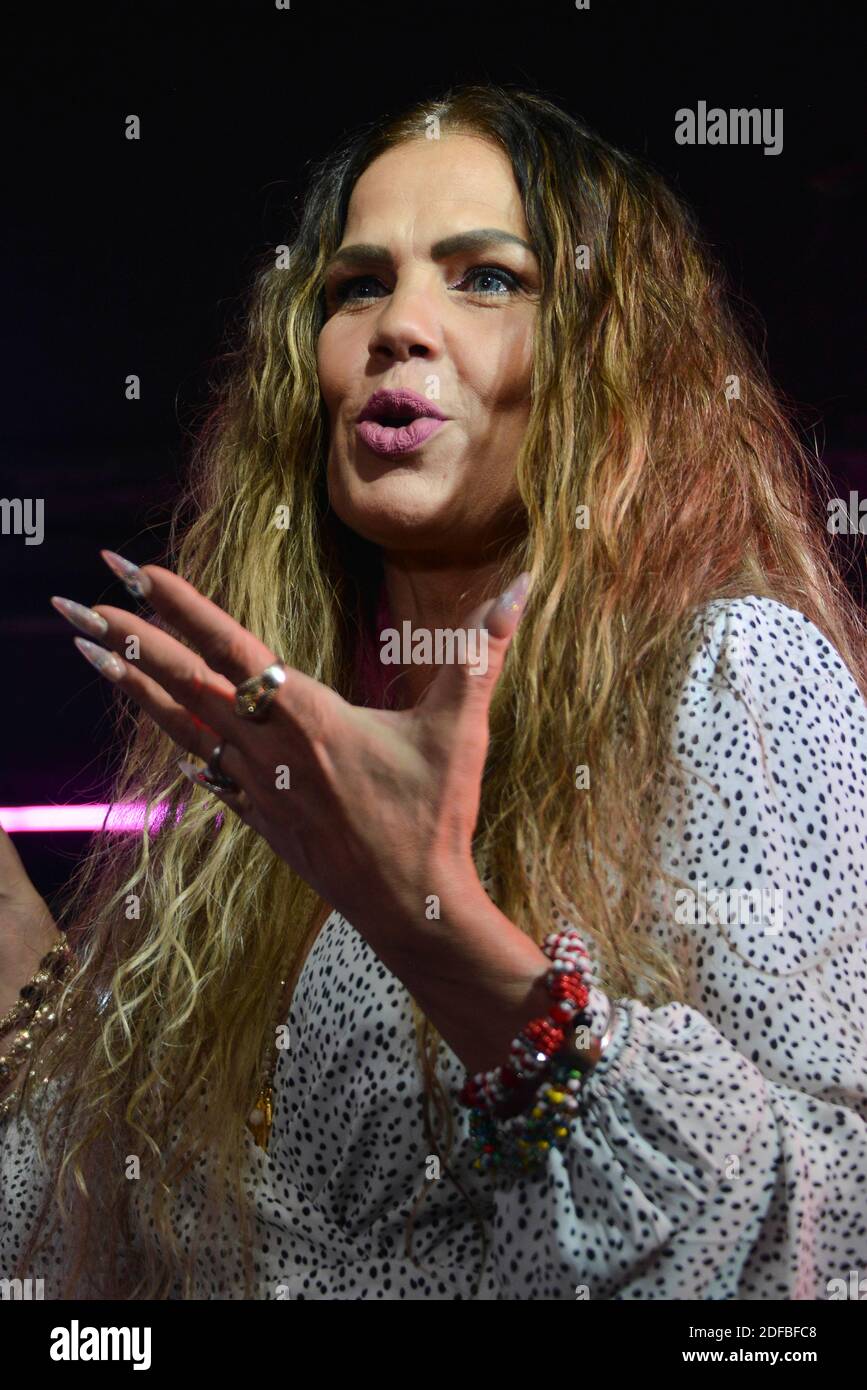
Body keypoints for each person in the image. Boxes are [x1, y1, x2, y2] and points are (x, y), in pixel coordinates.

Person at [2, 82, 866, 1302]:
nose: (399, 324)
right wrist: (27, 990)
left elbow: (821, 1251)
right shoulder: (254, 783)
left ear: (606, 358)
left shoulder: (728, 676)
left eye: (488, 278)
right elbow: (97, 1275)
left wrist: (444, 936)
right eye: (358, 284)